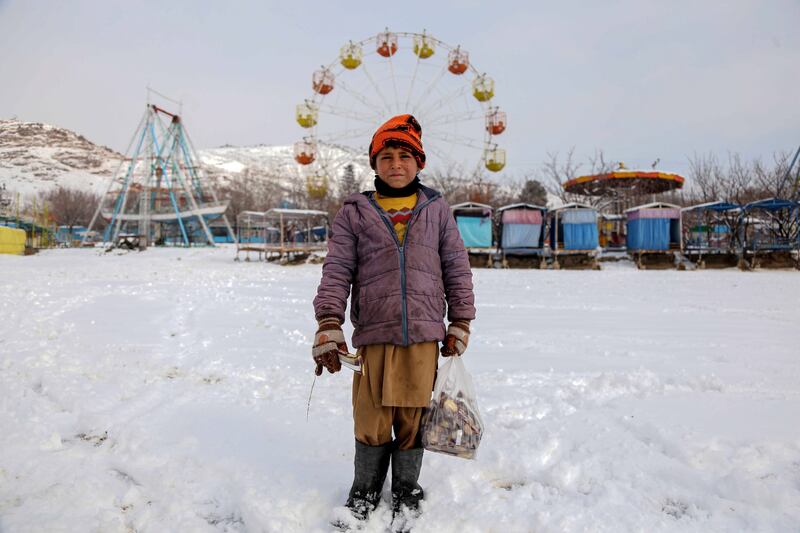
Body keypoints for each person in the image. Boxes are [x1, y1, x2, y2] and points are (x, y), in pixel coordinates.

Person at [312, 114, 476, 525]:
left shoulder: (436, 210)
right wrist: (329, 322)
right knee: (370, 416)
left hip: (423, 333)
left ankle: (406, 489)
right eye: (386, 156)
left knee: (413, 416)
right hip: (374, 333)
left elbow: (456, 267)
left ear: (420, 163)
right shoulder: (354, 212)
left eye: (405, 156)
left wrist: (460, 321)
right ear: (374, 163)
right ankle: (364, 490)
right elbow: (336, 269)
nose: (396, 164)